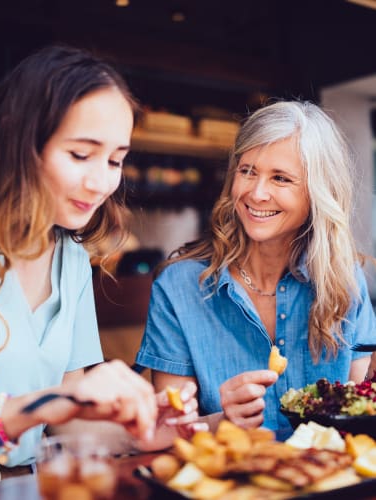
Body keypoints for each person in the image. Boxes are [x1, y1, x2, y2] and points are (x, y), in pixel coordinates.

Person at [0, 45, 201, 498]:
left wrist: (143, 427)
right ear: (20, 142)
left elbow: (65, 429)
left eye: (114, 160)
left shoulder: (69, 256)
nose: (102, 182)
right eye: (81, 154)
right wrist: (39, 406)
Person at [135, 100, 376, 440]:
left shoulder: (344, 281)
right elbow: (165, 433)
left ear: (317, 193)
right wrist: (222, 420)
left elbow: (359, 415)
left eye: (281, 178)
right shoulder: (178, 287)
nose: (257, 193)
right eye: (247, 171)